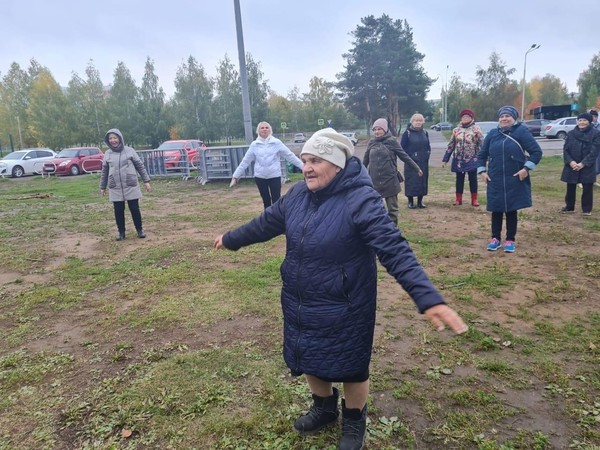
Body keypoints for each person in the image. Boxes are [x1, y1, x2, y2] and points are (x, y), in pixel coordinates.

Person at [214, 128, 468, 450]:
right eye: (304, 160)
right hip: (301, 300)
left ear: (336, 164)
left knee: (350, 366)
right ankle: (323, 408)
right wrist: (232, 238)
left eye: (315, 160)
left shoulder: (360, 199)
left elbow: (394, 249)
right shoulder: (296, 196)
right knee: (308, 355)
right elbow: (265, 223)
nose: (306, 167)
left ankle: (354, 418)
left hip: (347, 304)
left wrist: (427, 297)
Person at [477, 106, 543, 253]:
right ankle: (495, 239)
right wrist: (482, 171)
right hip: (495, 178)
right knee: (496, 208)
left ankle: (510, 239)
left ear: (514, 118)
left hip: (515, 177)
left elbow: (536, 152)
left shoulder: (521, 132)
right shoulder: (493, 134)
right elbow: (481, 155)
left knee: (511, 209)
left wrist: (526, 169)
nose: (504, 119)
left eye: (507, 116)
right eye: (501, 116)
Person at [230, 121, 303, 209]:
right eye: (262, 128)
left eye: (266, 127)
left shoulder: (276, 143)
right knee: (266, 201)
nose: (264, 129)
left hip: (274, 176)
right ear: (258, 131)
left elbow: (290, 156)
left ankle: (277, 220)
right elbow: (245, 161)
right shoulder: (254, 145)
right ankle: (267, 220)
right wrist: (235, 176)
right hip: (260, 177)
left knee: (276, 201)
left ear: (270, 130)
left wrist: (304, 167)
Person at [363, 118, 422, 224]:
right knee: (375, 209)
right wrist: (360, 174)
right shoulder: (371, 142)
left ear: (385, 130)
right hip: (374, 181)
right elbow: (365, 160)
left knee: (392, 210)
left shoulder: (392, 141)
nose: (377, 132)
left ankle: (392, 230)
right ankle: (378, 229)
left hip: (390, 180)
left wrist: (416, 168)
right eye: (375, 129)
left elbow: (404, 156)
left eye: (379, 129)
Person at [100, 128, 151, 241]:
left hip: (130, 184)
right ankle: (121, 233)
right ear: (108, 140)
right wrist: (102, 187)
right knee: (118, 210)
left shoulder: (130, 151)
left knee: (134, 208)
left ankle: (139, 230)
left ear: (120, 138)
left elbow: (140, 166)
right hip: (115, 186)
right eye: (110, 138)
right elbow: (104, 171)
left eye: (115, 137)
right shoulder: (107, 154)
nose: (113, 140)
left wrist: (146, 181)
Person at [559, 112, 600, 216]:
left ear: (589, 122)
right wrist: (571, 162)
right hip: (572, 164)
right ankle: (569, 207)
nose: (582, 122)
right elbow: (566, 150)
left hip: (586, 165)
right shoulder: (571, 133)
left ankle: (586, 210)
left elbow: (594, 151)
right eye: (580, 120)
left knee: (587, 188)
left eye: (584, 120)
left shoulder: (595, 133)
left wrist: (583, 163)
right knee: (570, 186)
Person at [442, 109, 484, 206]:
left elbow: (482, 145)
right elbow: (451, 145)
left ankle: (474, 199)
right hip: (459, 159)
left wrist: (483, 158)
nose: (465, 118)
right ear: (461, 118)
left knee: (472, 178)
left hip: (472, 158)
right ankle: (458, 199)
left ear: (471, 118)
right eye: (464, 117)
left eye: (468, 117)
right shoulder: (456, 130)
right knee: (459, 179)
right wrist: (445, 159)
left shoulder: (476, 129)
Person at [400, 113, 431, 208]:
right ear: (412, 122)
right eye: (416, 120)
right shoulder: (407, 133)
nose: (418, 122)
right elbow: (403, 147)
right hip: (411, 162)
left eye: (420, 120)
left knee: (422, 181)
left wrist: (428, 153)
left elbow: (428, 145)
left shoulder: (425, 132)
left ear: (423, 122)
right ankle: (410, 201)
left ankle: (420, 201)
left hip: (423, 161)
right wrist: (411, 156)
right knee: (411, 181)